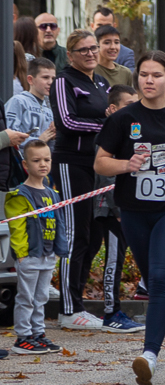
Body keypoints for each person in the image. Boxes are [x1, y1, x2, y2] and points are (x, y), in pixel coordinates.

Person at [94, 51, 165, 385]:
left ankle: (149, 355)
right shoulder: (123, 119)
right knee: (151, 276)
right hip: (133, 212)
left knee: (158, 278)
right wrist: (125, 165)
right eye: (144, 74)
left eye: (157, 75)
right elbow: (100, 162)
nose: (149, 80)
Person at [50, 29, 111, 330]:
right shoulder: (64, 81)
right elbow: (67, 121)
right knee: (75, 235)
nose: (90, 53)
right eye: (83, 50)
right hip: (71, 163)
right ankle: (68, 309)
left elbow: (114, 114)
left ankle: (79, 303)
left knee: (94, 236)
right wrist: (105, 125)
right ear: (71, 54)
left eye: (93, 48)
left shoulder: (101, 82)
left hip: (98, 164)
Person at [5, 140, 69, 355]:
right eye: (36, 160)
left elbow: (59, 224)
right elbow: (17, 228)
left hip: (48, 255)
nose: (43, 164)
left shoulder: (52, 194)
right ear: (25, 164)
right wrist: (22, 254)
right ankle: (23, 337)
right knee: (26, 298)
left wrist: (59, 250)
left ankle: (38, 333)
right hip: (30, 256)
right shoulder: (20, 195)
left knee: (41, 297)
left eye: (47, 160)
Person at [89, 85, 143, 333]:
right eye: (128, 104)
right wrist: (119, 210)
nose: (133, 109)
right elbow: (106, 177)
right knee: (113, 260)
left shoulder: (133, 133)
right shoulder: (109, 135)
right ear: (112, 108)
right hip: (112, 211)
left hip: (130, 207)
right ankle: (111, 313)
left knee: (122, 258)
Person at [7, 57, 57, 147]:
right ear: (30, 80)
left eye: (53, 78)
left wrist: (54, 136)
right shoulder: (18, 101)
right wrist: (37, 141)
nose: (50, 82)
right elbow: (9, 135)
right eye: (45, 77)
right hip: (21, 155)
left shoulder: (49, 109)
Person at [90, 6, 135, 70]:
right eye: (99, 25)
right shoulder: (84, 51)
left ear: (114, 26)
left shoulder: (126, 54)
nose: (103, 29)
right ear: (92, 26)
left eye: (108, 26)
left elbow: (129, 75)